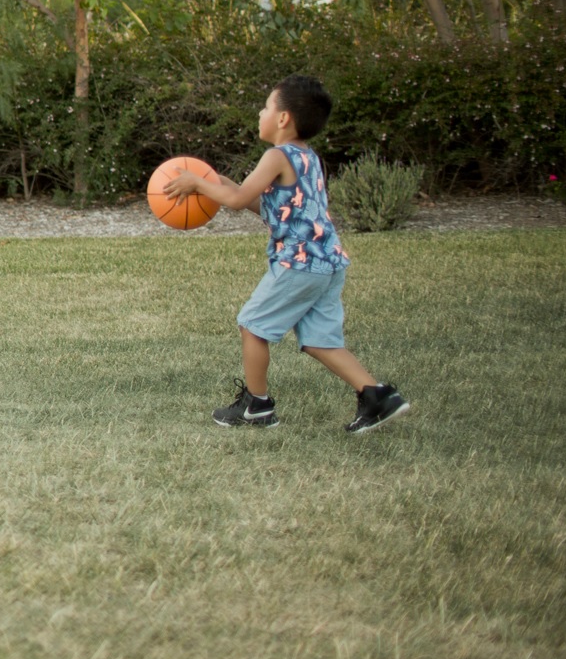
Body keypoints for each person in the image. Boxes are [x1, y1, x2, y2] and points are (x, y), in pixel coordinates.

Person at [161, 75, 408, 433]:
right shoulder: (308, 158)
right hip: (327, 261)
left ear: (283, 119)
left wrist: (198, 183)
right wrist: (218, 182)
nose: (260, 113)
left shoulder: (276, 155)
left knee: (252, 324)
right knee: (320, 341)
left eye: (266, 106)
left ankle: (257, 406)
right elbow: (269, 207)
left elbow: (238, 200)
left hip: (300, 263)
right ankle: (377, 396)